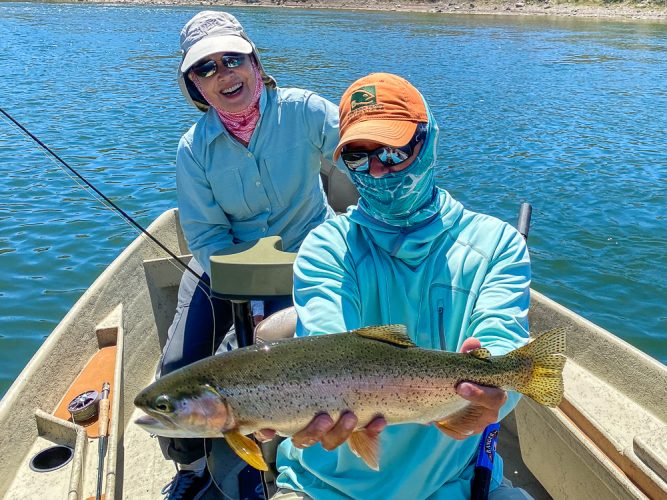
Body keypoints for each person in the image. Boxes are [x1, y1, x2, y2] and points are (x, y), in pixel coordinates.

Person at [269, 73, 532, 499]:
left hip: (454, 484)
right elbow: (326, 342)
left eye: (393, 151)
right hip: (325, 486)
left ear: (428, 143)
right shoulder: (327, 246)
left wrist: (492, 393)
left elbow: (504, 341)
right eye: (357, 156)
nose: (376, 170)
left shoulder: (496, 245)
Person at [158, 10, 342, 499]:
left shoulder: (305, 110)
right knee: (178, 367)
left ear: (255, 63)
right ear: (194, 86)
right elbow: (206, 237)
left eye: (232, 59)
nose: (224, 75)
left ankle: (298, 461)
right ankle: (191, 466)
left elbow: (364, 156)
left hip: (313, 256)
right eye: (206, 68)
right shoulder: (193, 149)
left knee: (301, 363)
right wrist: (250, 281)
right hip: (226, 265)